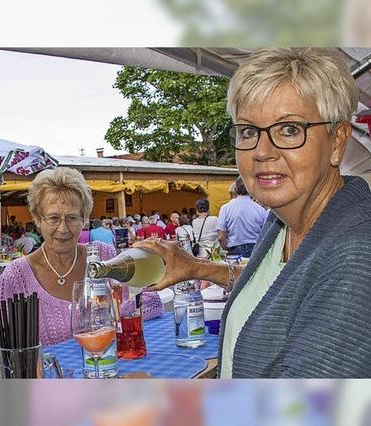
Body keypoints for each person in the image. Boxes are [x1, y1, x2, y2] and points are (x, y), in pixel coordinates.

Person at [136, 48, 371, 378]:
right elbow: (276, 281)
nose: (261, 151)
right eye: (247, 131)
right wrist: (196, 267)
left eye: (289, 129)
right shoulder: (282, 222)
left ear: (337, 141)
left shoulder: (357, 253)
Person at [0, 167, 163, 345]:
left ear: (84, 219)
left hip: (105, 366)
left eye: (71, 218)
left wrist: (116, 311)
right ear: (38, 220)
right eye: (53, 218)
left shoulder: (101, 255)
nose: (63, 229)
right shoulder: (18, 275)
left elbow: (152, 302)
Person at [217, 177, 268, 258]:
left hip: (234, 250)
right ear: (250, 189)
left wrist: (225, 249)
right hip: (256, 250)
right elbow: (266, 234)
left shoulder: (226, 208)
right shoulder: (260, 209)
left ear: (236, 189)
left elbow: (221, 237)